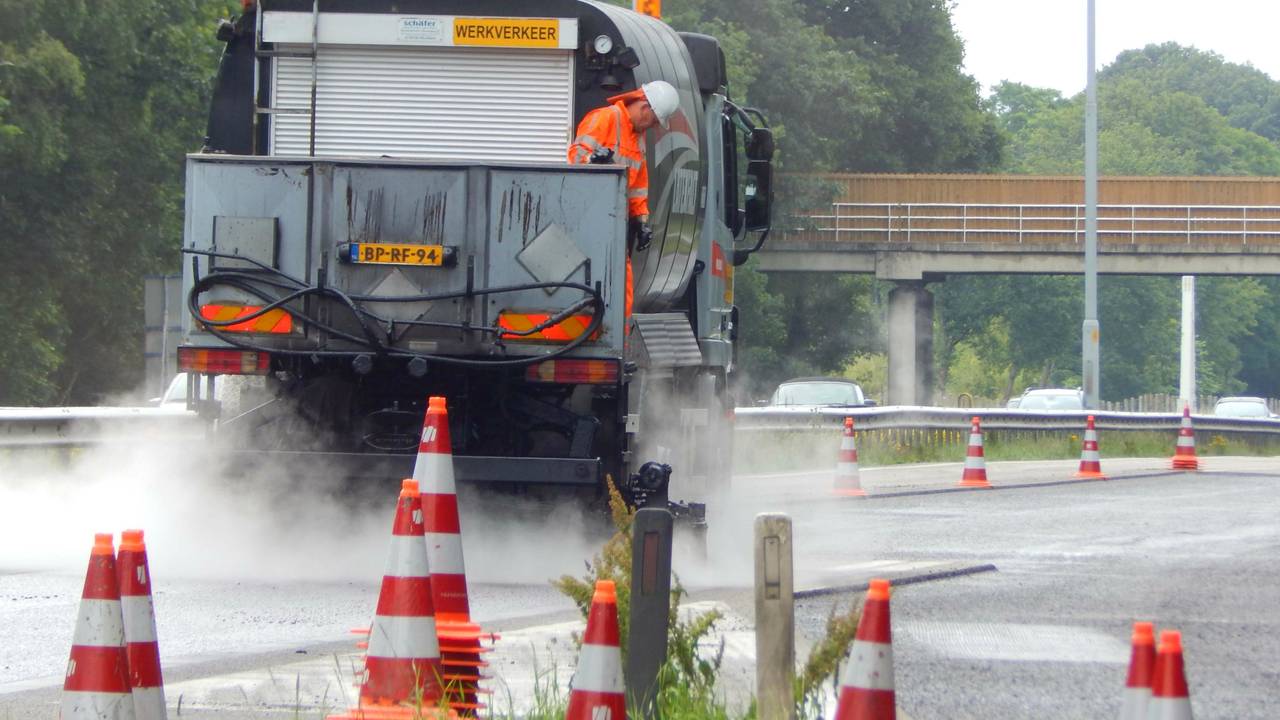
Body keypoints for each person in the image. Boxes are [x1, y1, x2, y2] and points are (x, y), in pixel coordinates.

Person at [568, 80, 679, 318]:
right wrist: (593, 163)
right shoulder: (604, 119)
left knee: (620, 284)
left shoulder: (636, 137)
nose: (652, 127)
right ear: (644, 107)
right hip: (588, 218)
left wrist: (641, 221)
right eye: (654, 120)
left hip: (613, 222)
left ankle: (616, 338)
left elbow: (638, 184)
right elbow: (576, 158)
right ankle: (607, 334)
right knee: (599, 281)